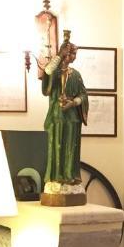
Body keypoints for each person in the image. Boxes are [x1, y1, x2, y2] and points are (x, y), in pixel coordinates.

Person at [39, 33, 88, 189]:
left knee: (70, 147)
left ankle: (70, 176)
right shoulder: (54, 72)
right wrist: (59, 54)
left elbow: (83, 94)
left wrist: (73, 103)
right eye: (71, 53)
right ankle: (55, 177)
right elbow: (47, 71)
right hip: (56, 116)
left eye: (74, 54)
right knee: (56, 145)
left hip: (72, 118)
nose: (73, 57)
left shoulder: (76, 75)